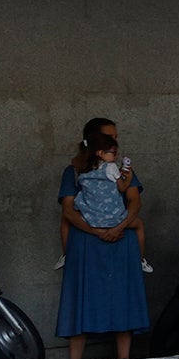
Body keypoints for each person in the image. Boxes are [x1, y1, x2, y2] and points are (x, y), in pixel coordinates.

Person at [57, 131, 150, 359]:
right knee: (114, 297)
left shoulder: (79, 171)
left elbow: (69, 212)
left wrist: (96, 230)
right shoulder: (106, 169)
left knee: (87, 299)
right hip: (111, 233)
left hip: (91, 233)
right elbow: (131, 199)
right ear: (100, 149)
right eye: (112, 143)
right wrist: (118, 227)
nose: (115, 151)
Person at [57, 117, 150, 274]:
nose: (114, 143)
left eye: (115, 137)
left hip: (119, 237)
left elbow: (135, 202)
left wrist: (113, 229)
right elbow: (68, 211)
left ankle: (65, 256)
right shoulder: (74, 171)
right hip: (89, 240)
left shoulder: (119, 169)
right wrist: (105, 230)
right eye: (109, 138)